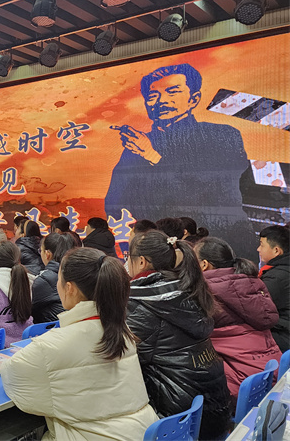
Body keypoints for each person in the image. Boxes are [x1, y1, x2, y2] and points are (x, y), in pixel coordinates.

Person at [1, 248, 159, 440]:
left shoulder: (51, 346)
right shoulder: (122, 331)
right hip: (144, 432)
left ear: (70, 288)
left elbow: (14, 381)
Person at [105, 63, 257, 260]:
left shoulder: (221, 135)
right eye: (152, 96)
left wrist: (152, 156)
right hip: (158, 253)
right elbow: (115, 202)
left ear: (194, 99)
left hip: (220, 249)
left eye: (172, 92)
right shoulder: (136, 146)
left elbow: (211, 189)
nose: (161, 101)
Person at [126, 230, 231, 439]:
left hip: (175, 417)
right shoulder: (189, 289)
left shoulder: (142, 303)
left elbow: (122, 358)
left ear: (141, 262)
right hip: (213, 410)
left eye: (128, 257)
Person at [195, 237, 281, 401]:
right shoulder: (253, 282)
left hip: (242, 383)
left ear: (204, 265)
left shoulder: (203, 291)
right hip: (271, 372)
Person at [32, 232, 80, 323]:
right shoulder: (79, 273)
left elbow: (24, 307)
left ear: (47, 254)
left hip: (55, 327)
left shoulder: (45, 279)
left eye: (41, 251)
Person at [258, 225, 290, 351]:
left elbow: (256, 308)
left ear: (276, 251)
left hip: (283, 337)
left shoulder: (277, 278)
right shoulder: (282, 271)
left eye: (262, 245)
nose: (258, 249)